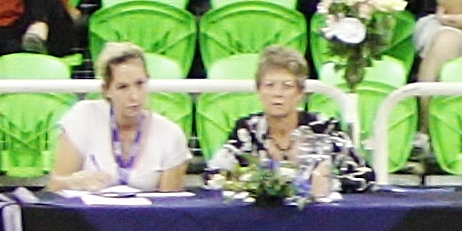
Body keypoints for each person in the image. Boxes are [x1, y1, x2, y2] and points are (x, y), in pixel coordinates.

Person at [209, 44, 373, 199]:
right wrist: (250, 183)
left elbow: (364, 175)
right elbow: (214, 175)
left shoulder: (324, 128)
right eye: (269, 85)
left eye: (287, 86)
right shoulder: (247, 130)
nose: (277, 93)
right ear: (259, 91)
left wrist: (328, 184)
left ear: (300, 92)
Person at [48, 42, 190, 194]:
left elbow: (170, 206)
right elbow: (55, 185)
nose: (134, 96)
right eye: (123, 87)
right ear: (106, 90)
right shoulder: (82, 116)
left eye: (140, 84)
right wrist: (76, 181)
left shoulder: (171, 134)